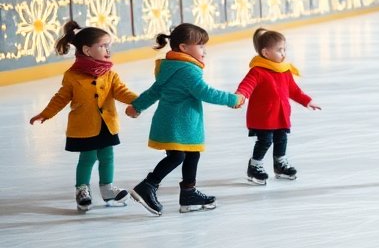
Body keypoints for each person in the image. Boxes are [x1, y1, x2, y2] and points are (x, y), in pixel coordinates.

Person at [125, 23, 244, 216]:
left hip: (173, 123)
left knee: (191, 154)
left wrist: (137, 106)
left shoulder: (170, 68)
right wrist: (232, 99)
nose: (205, 51)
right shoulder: (187, 70)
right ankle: (148, 185)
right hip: (178, 124)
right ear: (184, 47)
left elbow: (154, 91)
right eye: (201, 46)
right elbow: (205, 92)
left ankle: (188, 193)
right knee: (177, 157)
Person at [28, 21, 138, 212]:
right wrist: (46, 114)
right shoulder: (72, 76)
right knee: (88, 157)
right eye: (103, 45)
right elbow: (61, 98)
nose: (108, 50)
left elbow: (121, 92)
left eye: (109, 45)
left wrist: (140, 101)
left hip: (107, 124)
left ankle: (107, 188)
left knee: (107, 156)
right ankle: (82, 190)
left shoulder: (110, 74)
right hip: (84, 126)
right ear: (87, 50)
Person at [234, 28, 320, 185]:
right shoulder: (257, 71)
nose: (283, 53)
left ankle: (280, 164)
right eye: (279, 50)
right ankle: (255, 166)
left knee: (282, 139)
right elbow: (246, 85)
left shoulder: (284, 71)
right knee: (265, 141)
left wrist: (307, 101)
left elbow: (294, 90)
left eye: (284, 49)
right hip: (264, 117)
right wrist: (240, 95)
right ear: (266, 53)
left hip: (281, 115)